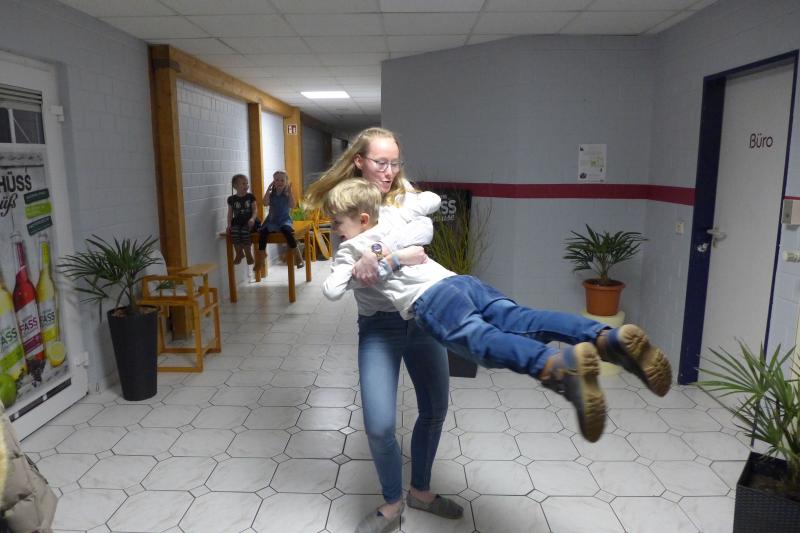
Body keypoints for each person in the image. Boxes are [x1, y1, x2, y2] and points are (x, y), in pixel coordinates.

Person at [320, 178, 673, 445]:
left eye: (336, 223)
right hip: (462, 283)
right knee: (525, 320)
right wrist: (396, 247)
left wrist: (369, 262)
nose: (334, 231)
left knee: (482, 342)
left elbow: (332, 289)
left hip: (432, 301)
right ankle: (607, 339)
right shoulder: (394, 217)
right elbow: (429, 203)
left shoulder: (350, 250)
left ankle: (559, 369)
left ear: (361, 219)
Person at [304, 128, 461, 533]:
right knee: (378, 425)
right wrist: (375, 258)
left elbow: (423, 235)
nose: (389, 171)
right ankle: (393, 503)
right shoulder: (347, 202)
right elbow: (343, 275)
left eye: (394, 163)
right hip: (379, 327)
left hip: (422, 318)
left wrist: (377, 254)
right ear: (360, 160)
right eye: (380, 163)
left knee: (434, 410)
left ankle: (421, 491)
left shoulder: (403, 196)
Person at [255, 170, 303, 272]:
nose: (279, 182)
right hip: (272, 220)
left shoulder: (287, 193)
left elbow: (293, 205)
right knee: (263, 233)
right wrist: (267, 190)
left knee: (287, 231)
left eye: (282, 180)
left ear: (286, 182)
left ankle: (297, 255)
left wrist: (290, 193)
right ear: (274, 182)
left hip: (284, 220)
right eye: (277, 180)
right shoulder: (271, 194)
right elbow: (265, 203)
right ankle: (262, 255)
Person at [226, 173, 256, 265]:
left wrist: (252, 219)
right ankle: (239, 253)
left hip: (249, 221)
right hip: (237, 221)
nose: (246, 186)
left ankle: (248, 253)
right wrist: (229, 225)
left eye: (247, 183)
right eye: (243, 183)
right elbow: (230, 213)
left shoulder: (250, 197)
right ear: (235, 186)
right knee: (234, 232)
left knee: (244, 232)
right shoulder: (231, 199)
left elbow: (255, 210)